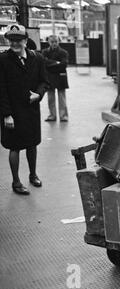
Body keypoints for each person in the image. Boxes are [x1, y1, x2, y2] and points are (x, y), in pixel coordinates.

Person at [0, 24, 49, 195]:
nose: (14, 43)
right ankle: (16, 181)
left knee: (32, 144)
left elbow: (44, 81)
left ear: (26, 40)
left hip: (31, 110)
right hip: (12, 112)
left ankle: (33, 175)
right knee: (14, 147)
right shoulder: (3, 60)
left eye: (18, 40)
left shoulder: (38, 58)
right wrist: (6, 115)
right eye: (11, 40)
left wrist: (39, 95)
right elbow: (1, 89)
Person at [42, 35, 69, 122]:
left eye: (56, 42)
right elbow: (44, 63)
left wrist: (51, 64)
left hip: (60, 76)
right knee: (50, 98)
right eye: (52, 42)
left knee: (62, 97)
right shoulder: (45, 52)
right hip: (51, 77)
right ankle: (52, 115)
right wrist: (57, 63)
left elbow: (64, 64)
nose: (54, 43)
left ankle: (63, 116)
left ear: (58, 42)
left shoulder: (63, 52)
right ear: (49, 42)